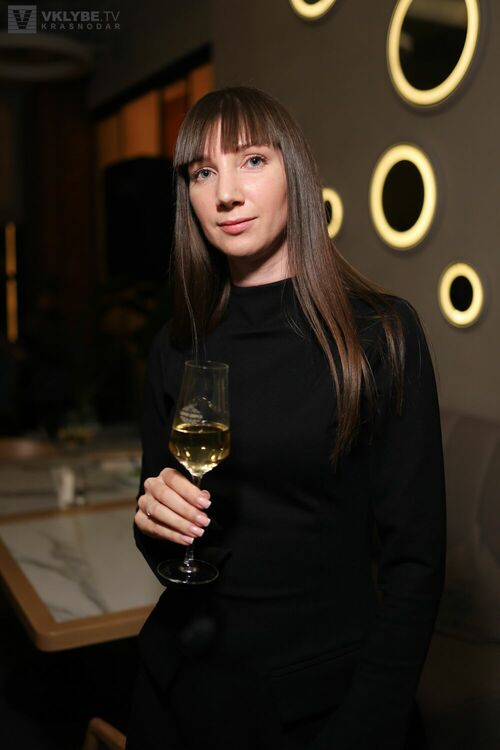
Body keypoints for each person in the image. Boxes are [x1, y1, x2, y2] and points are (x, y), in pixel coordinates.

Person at [128, 86, 446, 750]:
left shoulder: (379, 335)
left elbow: (415, 566)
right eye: (203, 172)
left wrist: (364, 730)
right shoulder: (177, 346)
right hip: (179, 689)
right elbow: (169, 536)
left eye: (252, 161)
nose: (226, 194)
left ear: (293, 171)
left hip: (312, 708)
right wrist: (154, 522)